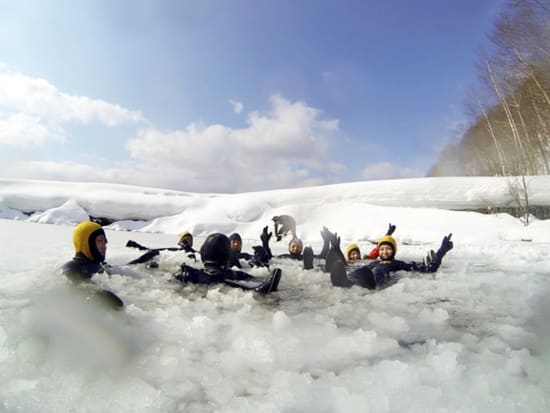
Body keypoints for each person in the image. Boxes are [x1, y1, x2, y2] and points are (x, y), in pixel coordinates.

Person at [330, 233, 454, 290]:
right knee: (361, 270)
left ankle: (366, 284)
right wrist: (337, 251)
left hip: (380, 281)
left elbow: (428, 269)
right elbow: (350, 264)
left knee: (376, 270)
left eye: (388, 249)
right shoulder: (374, 262)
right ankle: (346, 282)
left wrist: (441, 252)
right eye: (382, 249)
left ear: (393, 250)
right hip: (366, 276)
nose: (384, 252)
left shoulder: (398, 263)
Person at [173, 233, 281, 294]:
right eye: (233, 242)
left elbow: (255, 274)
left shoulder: (243, 259)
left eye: (238, 242)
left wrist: (263, 256)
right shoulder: (191, 272)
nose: (235, 244)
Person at [62, 221, 124, 309]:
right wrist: (99, 293)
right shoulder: (72, 268)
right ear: (85, 243)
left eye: (105, 241)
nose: (104, 246)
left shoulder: (101, 267)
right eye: (99, 241)